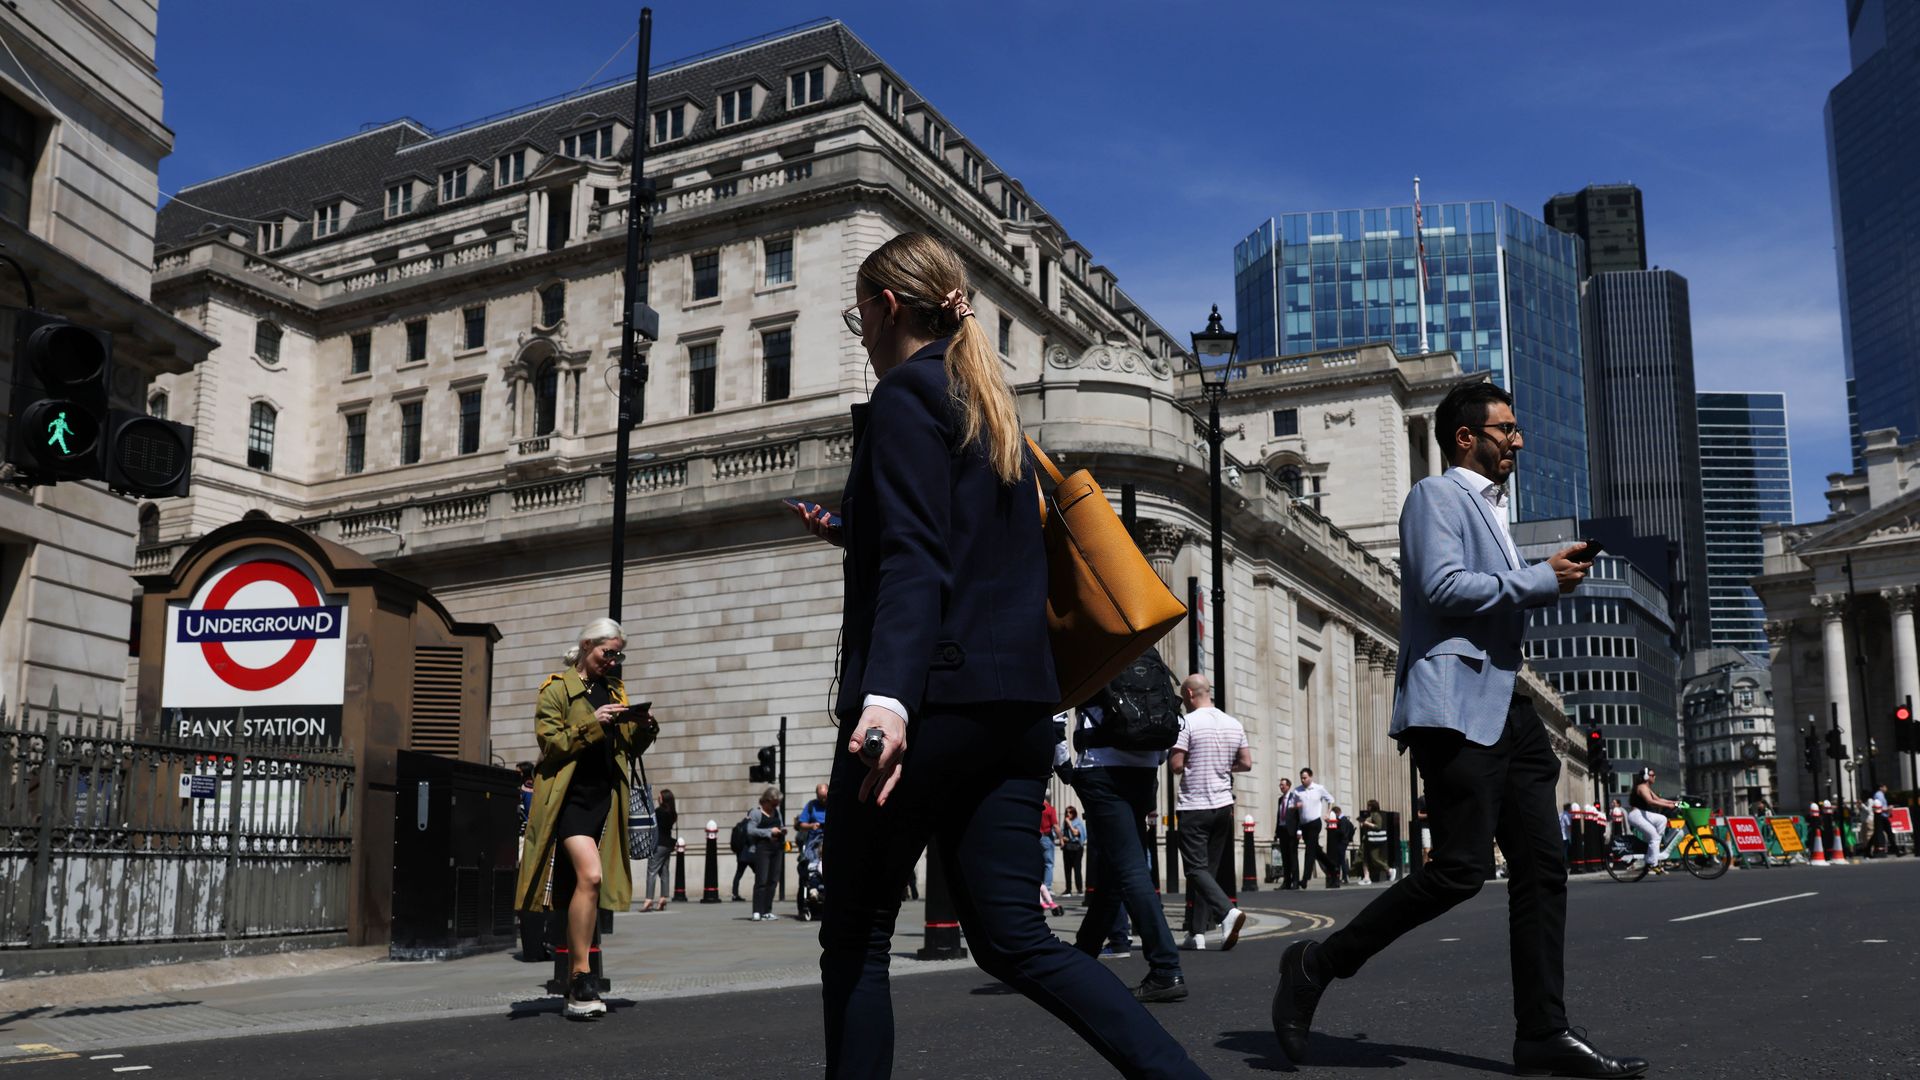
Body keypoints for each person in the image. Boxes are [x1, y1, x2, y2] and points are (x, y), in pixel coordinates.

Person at [794, 231, 1205, 1079]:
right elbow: (969, 550)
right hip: (1016, 710)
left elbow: (917, 559)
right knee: (1018, 940)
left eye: (855, 318)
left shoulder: (909, 396)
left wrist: (888, 700)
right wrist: (849, 529)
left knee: (858, 939)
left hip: (931, 708)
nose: (860, 335)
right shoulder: (991, 408)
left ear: (882, 310)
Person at [1271, 382, 1646, 1078]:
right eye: (1506, 429)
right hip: (1453, 708)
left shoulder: (1494, 512)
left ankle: (1543, 1033)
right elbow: (1441, 588)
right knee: (1460, 871)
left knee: (1544, 869)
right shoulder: (1435, 498)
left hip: (1510, 711)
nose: (1519, 440)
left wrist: (1536, 574)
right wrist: (1539, 578)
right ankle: (1316, 961)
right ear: (1466, 436)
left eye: (1518, 427)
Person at [513, 617, 657, 1021]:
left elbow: (628, 747)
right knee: (591, 877)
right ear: (586, 646)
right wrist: (594, 723)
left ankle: (580, 979)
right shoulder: (557, 689)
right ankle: (579, 975)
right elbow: (551, 744)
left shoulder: (614, 690)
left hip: (605, 803)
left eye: (618, 654)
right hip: (570, 801)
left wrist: (642, 727)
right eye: (607, 652)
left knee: (588, 886)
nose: (612, 660)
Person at [1072, 680, 1188, 1002]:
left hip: (1102, 769)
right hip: (1144, 769)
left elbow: (1060, 706)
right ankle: (1081, 957)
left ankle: (1165, 968)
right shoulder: (1146, 653)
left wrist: (1064, 764)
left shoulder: (1096, 645)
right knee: (1115, 871)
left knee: (1129, 869)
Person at [1170, 674, 1249, 950]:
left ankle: (1227, 913)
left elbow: (1177, 764)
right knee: (1207, 871)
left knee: (1194, 868)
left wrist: (1184, 760)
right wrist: (1223, 766)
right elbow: (1245, 762)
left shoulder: (1187, 723)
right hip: (1223, 805)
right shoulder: (1233, 723)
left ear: (1190, 695)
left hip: (1195, 805)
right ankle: (1197, 934)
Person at [1627, 769, 1678, 874]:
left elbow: (1658, 799)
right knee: (1654, 837)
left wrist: (1674, 802)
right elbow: (1651, 802)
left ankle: (1656, 847)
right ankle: (1653, 864)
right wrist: (1669, 805)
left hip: (1642, 814)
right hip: (1636, 815)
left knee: (1662, 819)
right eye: (1653, 775)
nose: (1655, 777)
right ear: (1646, 777)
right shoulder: (1642, 787)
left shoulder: (1647, 788)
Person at [746, 786, 785, 921]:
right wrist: (769, 832)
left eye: (777, 804)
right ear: (767, 800)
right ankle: (757, 910)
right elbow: (750, 830)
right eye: (775, 803)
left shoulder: (777, 812)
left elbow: (781, 825)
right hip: (763, 848)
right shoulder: (756, 813)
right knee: (761, 880)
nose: (776, 806)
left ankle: (767, 910)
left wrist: (782, 830)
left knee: (773, 880)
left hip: (777, 847)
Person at [1293, 767, 1337, 888]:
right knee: (1316, 851)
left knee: (1309, 850)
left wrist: (1328, 813)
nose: (1303, 780)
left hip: (1315, 823)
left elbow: (1331, 799)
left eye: (1305, 778)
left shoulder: (1319, 788)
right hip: (1304, 824)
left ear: (1310, 777)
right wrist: (1295, 807)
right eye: (1301, 778)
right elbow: (1293, 807)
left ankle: (1305, 879)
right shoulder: (1297, 791)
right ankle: (1332, 867)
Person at [639, 788, 677, 911]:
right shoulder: (672, 813)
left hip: (659, 845)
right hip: (668, 845)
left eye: (659, 797)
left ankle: (648, 900)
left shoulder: (659, 812)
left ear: (663, 799)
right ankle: (663, 898)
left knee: (651, 871)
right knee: (664, 871)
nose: (657, 798)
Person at [1273, 777, 1299, 888]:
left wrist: (1299, 830)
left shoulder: (1294, 798)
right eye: (1280, 785)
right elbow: (1279, 816)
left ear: (1288, 786)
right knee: (1285, 857)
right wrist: (1276, 832)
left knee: (1293, 856)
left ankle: (1296, 882)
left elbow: (1298, 816)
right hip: (1282, 830)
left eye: (1283, 785)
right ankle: (1286, 882)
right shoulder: (1280, 800)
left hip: (1292, 832)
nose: (1281, 786)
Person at [1360, 800, 1390, 883]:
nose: (1367, 807)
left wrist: (1366, 823)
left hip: (1373, 840)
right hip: (1367, 839)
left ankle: (1389, 870)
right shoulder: (1370, 815)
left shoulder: (1376, 815)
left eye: (1369, 805)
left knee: (1374, 858)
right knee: (1364, 858)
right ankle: (1366, 877)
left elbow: (1378, 826)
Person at [1061, 805, 1086, 895]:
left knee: (1077, 868)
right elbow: (1061, 834)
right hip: (1067, 848)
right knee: (1067, 869)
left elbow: (1076, 833)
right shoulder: (1064, 823)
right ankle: (1068, 889)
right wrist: (1062, 839)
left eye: (1070, 812)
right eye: (1067, 812)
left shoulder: (1078, 822)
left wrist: (1070, 824)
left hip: (1077, 848)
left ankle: (1079, 889)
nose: (1068, 814)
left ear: (1074, 813)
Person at [1326, 806, 1354, 885]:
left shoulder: (1343, 820)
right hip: (1343, 842)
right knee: (1340, 859)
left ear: (1337, 813)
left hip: (1342, 842)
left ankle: (1346, 876)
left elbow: (1342, 831)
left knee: (1341, 859)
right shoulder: (1344, 820)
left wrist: (1333, 828)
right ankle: (1341, 876)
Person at [1866, 784, 1896, 857]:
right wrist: (1888, 809)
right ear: (1881, 787)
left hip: (1882, 816)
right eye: (1885, 787)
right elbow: (1878, 807)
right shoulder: (1879, 795)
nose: (1886, 788)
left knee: (1879, 833)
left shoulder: (1881, 795)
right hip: (1881, 817)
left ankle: (1867, 850)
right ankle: (1895, 850)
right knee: (1887, 833)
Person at [1040, 797, 1060, 895]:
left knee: (1039, 862)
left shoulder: (1037, 808)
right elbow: (1055, 826)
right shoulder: (1050, 809)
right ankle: (1047, 887)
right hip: (1046, 837)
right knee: (1048, 863)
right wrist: (1061, 838)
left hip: (1036, 837)